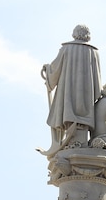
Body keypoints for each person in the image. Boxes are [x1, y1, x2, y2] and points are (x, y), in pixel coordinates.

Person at [40, 24, 102, 158]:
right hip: (86, 100)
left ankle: (71, 138)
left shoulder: (66, 49)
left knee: (69, 112)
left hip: (67, 95)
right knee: (82, 120)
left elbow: (54, 70)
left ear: (74, 34)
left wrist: (47, 69)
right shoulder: (93, 52)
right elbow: (97, 80)